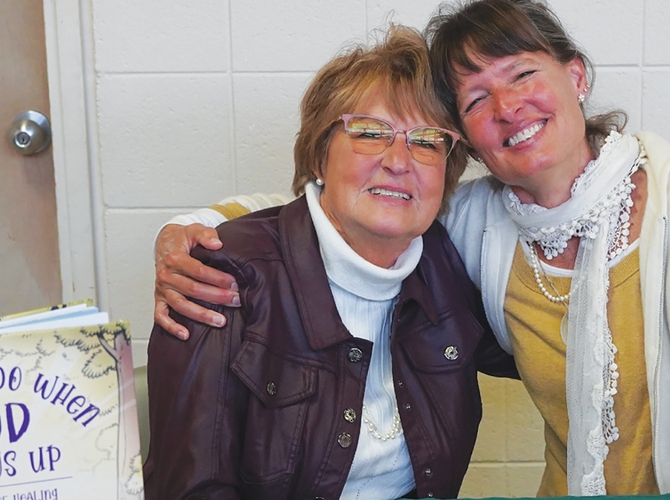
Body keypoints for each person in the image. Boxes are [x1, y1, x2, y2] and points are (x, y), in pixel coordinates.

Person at [152, 0, 670, 496]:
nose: (510, 106)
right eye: (477, 99)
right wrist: (192, 230)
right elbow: (332, 212)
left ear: (576, 76)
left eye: (522, 74)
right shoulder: (466, 227)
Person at [143, 25, 517, 500]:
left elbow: (550, 356)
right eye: (369, 132)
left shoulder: (450, 266)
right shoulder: (222, 278)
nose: (399, 161)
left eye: (426, 141)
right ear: (320, 155)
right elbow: (193, 488)